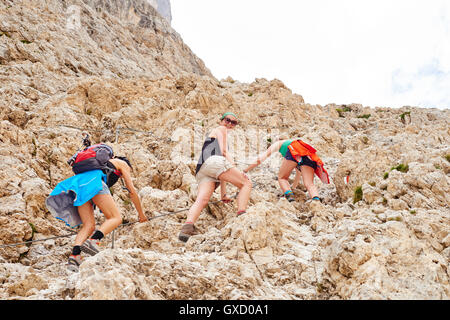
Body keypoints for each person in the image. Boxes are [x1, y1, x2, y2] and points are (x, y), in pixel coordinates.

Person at [46, 154, 147, 272]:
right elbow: (131, 191)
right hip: (94, 182)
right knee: (115, 218)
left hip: (79, 185)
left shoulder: (98, 163)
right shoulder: (123, 164)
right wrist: (141, 214)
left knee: (88, 226)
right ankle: (93, 241)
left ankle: (75, 256)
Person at [178, 112, 252, 242]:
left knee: (202, 200)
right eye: (227, 120)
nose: (229, 124)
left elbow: (221, 173)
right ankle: (242, 216)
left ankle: (187, 228)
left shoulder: (216, 134)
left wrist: (223, 194)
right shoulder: (221, 129)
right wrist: (236, 168)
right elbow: (223, 153)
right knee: (246, 183)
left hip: (203, 168)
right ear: (221, 121)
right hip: (214, 162)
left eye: (233, 123)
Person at [243, 138, 329, 202]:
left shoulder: (278, 144)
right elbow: (298, 173)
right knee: (309, 184)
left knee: (282, 178)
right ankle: (316, 202)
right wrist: (293, 188)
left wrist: (246, 170)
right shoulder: (292, 145)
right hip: (308, 155)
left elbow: (260, 159)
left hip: (295, 150)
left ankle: (290, 199)